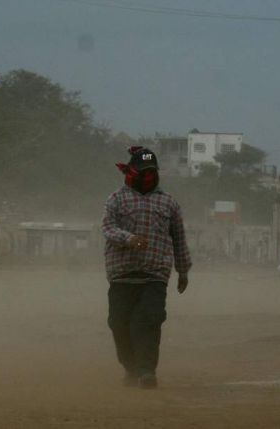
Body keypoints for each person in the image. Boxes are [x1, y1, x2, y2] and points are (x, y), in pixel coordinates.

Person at [101, 146, 191, 389]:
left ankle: (147, 371)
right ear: (131, 172)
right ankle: (131, 367)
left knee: (148, 320)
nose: (148, 176)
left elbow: (179, 238)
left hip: (155, 275)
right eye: (143, 172)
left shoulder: (168, 203)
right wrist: (128, 238)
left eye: (152, 171)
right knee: (118, 323)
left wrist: (183, 270)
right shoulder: (116, 199)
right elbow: (108, 229)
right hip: (122, 275)